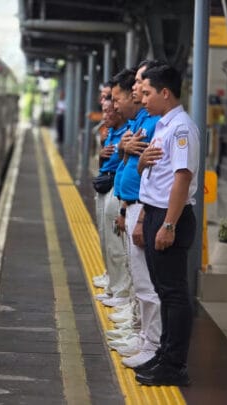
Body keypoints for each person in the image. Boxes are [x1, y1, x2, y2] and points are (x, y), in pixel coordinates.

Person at [134, 64, 200, 386]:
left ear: (165, 93)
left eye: (147, 93)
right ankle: (164, 354)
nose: (143, 98)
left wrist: (169, 225)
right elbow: (156, 174)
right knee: (163, 290)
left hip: (170, 217)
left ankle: (175, 365)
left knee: (173, 294)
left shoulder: (181, 129)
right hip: (156, 213)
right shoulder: (163, 125)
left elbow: (182, 178)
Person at [110, 60, 164, 368]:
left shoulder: (159, 123)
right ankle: (143, 336)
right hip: (131, 204)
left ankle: (150, 343)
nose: (136, 91)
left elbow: (155, 172)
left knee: (146, 283)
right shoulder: (144, 120)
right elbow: (130, 161)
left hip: (142, 207)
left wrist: (142, 215)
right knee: (139, 278)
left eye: (141, 85)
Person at [93, 98, 128, 300]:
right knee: (106, 239)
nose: (105, 116)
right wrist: (101, 153)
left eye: (109, 111)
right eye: (104, 111)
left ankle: (121, 291)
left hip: (117, 188)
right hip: (106, 185)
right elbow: (104, 164)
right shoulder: (109, 133)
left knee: (117, 245)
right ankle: (113, 284)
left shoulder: (128, 132)